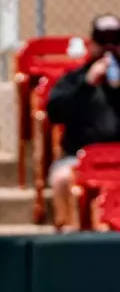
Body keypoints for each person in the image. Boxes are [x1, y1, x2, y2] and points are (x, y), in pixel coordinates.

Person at [45, 14, 120, 230]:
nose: (109, 48)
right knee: (61, 179)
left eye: (115, 42)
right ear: (92, 43)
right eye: (103, 41)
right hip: (80, 157)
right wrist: (87, 86)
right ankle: (69, 236)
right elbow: (55, 112)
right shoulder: (74, 79)